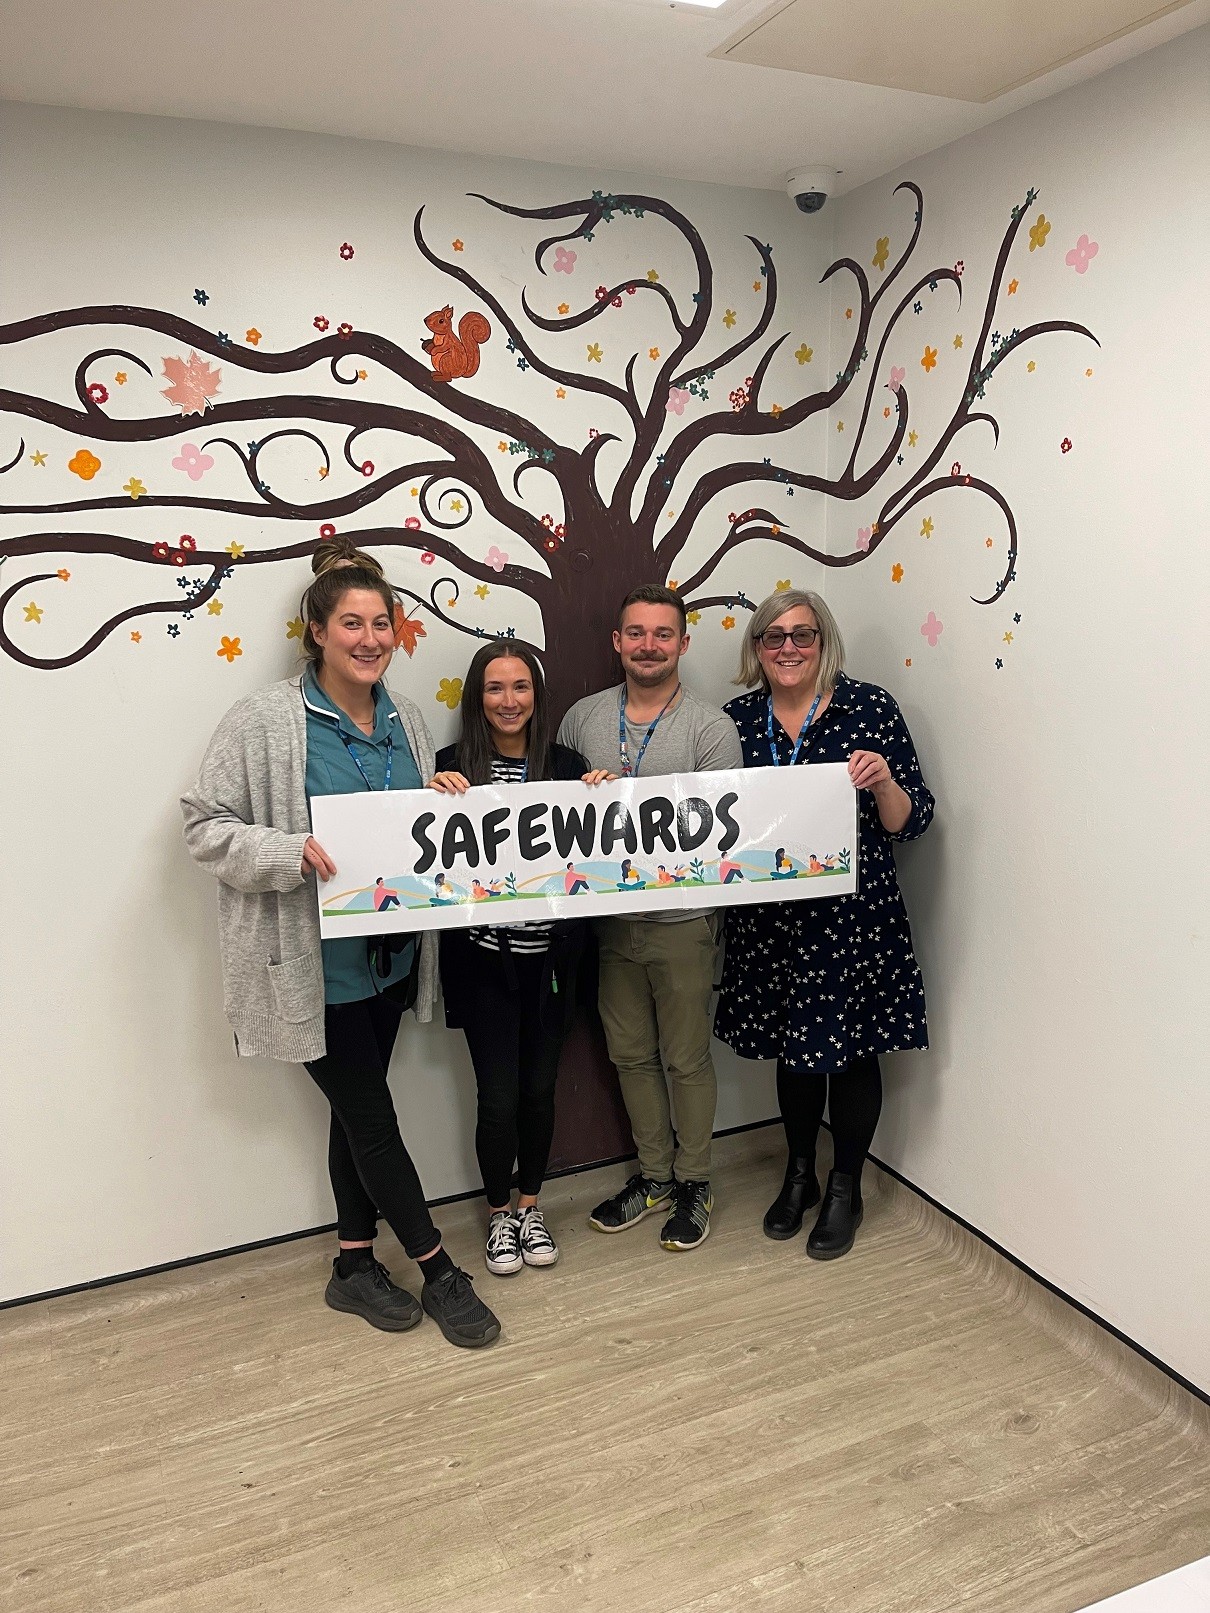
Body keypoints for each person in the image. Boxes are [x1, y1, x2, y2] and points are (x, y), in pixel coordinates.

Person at [181, 538, 501, 1347]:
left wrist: (440, 794)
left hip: (387, 960)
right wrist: (286, 853)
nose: (370, 638)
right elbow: (203, 825)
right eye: (351, 623)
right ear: (317, 631)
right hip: (310, 968)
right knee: (375, 1119)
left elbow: (405, 830)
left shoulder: (409, 718)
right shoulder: (265, 720)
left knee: (354, 1121)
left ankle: (353, 1263)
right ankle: (439, 1270)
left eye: (382, 624)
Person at [714, 588, 935, 1259]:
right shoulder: (735, 721)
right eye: (772, 636)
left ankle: (846, 1186)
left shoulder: (870, 707)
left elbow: (914, 819)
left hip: (852, 918)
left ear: (823, 640)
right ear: (756, 648)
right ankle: (800, 1171)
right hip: (769, 923)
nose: (787, 647)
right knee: (794, 1049)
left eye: (801, 635)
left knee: (854, 1051)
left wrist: (883, 782)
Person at [558, 584, 742, 1251]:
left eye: (662, 634)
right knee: (630, 1055)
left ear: (683, 643)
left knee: (687, 1058)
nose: (648, 645)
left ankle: (695, 1181)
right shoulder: (581, 719)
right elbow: (557, 817)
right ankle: (655, 1176)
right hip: (608, 923)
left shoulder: (711, 728)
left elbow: (724, 837)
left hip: (683, 922)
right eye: (636, 633)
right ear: (617, 641)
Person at [427, 639, 595, 1278]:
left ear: (537, 694)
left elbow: (598, 845)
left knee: (539, 1093)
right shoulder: (452, 765)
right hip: (483, 970)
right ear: (478, 698)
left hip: (551, 965)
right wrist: (430, 795)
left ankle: (532, 1206)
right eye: (495, 688)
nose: (508, 700)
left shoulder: (567, 765)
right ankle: (499, 1213)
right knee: (496, 1098)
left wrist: (601, 796)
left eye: (520, 687)